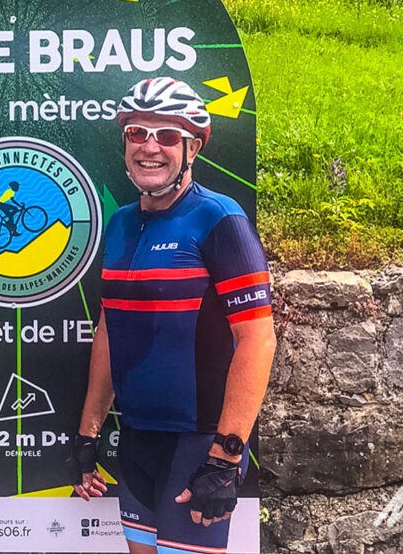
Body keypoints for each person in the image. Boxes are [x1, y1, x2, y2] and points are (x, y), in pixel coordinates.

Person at [70, 78, 276, 554]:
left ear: (194, 147)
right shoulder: (120, 222)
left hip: (200, 442)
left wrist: (227, 456)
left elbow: (257, 340)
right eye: (137, 133)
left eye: (166, 136)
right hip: (138, 438)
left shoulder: (220, 219)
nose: (150, 147)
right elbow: (109, 330)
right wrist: (88, 432)